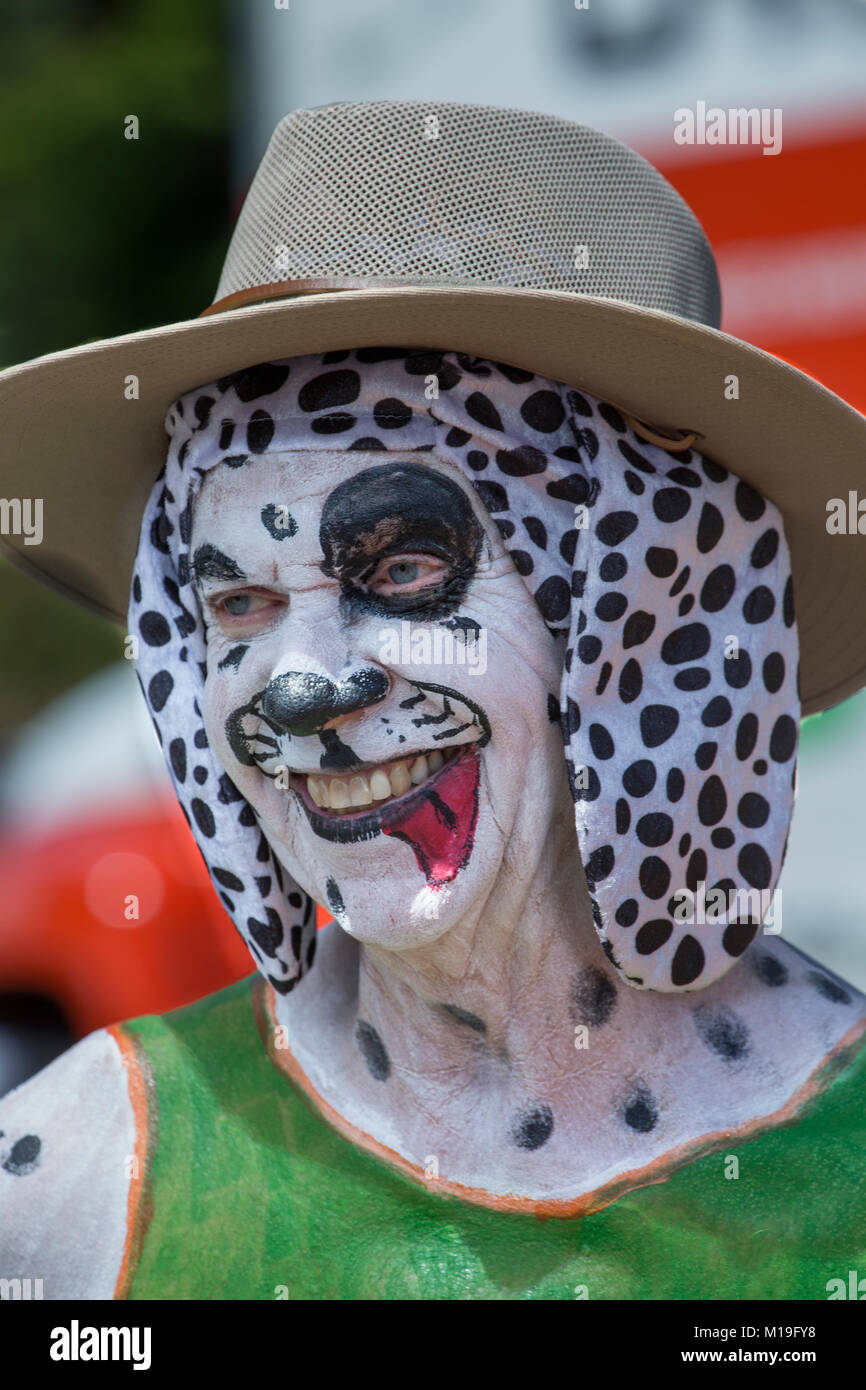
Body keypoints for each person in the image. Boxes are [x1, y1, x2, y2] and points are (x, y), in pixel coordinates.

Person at [0, 101, 864, 1301]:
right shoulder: (66, 1197)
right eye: (239, 605)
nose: (299, 688)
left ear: (635, 613)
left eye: (402, 572)